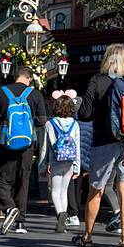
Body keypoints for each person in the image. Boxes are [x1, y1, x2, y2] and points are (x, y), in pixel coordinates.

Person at [75, 45, 124, 247]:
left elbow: (84, 114)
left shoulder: (97, 80)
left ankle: (87, 236)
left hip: (103, 140)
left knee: (96, 188)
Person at [0, 65, 47, 235]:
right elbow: (42, 121)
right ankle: (20, 223)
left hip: (6, 143)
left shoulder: (1, 92)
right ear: (28, 78)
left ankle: (9, 207)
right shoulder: (35, 94)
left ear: (15, 77)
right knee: (23, 181)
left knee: (1, 178)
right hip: (27, 145)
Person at [40, 92, 82, 231]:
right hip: (70, 161)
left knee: (55, 190)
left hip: (55, 160)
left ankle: (61, 214)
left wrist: (43, 165)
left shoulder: (50, 123)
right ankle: (63, 221)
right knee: (64, 191)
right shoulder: (75, 124)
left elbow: (45, 147)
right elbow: (77, 145)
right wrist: (77, 167)